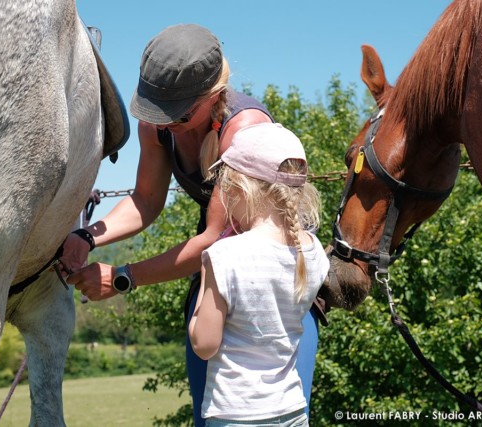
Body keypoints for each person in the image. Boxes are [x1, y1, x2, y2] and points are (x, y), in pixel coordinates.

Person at [61, 24, 325, 426]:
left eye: (178, 114)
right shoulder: (159, 126)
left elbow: (213, 239)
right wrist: (87, 237)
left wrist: (121, 277)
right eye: (156, 112)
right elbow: (146, 200)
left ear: (215, 96)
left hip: (270, 285)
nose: (165, 124)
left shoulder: (244, 131)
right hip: (222, 273)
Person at [188, 123, 329, 427]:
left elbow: (204, 343)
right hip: (292, 410)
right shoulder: (314, 251)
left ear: (241, 189)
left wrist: (204, 275)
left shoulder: (224, 256)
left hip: (235, 415)